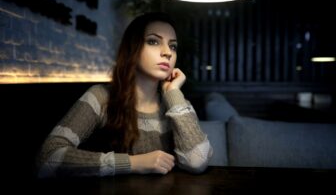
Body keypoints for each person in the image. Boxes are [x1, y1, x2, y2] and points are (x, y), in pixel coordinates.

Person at [36, 12, 213, 177]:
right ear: (132, 49)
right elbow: (48, 157)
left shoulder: (177, 104)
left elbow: (197, 162)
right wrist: (133, 163)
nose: (167, 52)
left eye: (173, 46)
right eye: (153, 41)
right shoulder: (101, 97)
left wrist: (173, 93)